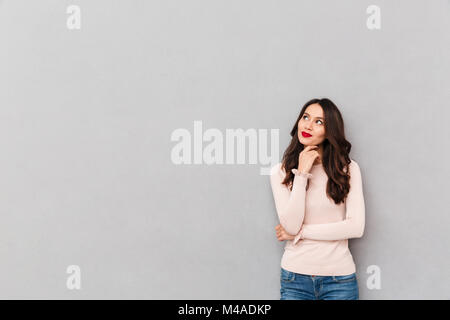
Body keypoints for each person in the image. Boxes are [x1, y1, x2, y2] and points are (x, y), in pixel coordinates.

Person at [270, 98, 365, 300]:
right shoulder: (280, 172)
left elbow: (355, 227)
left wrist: (303, 232)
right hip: (295, 278)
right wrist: (302, 174)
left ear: (330, 130)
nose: (308, 125)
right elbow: (292, 226)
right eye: (305, 117)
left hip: (339, 280)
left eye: (319, 122)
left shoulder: (348, 170)